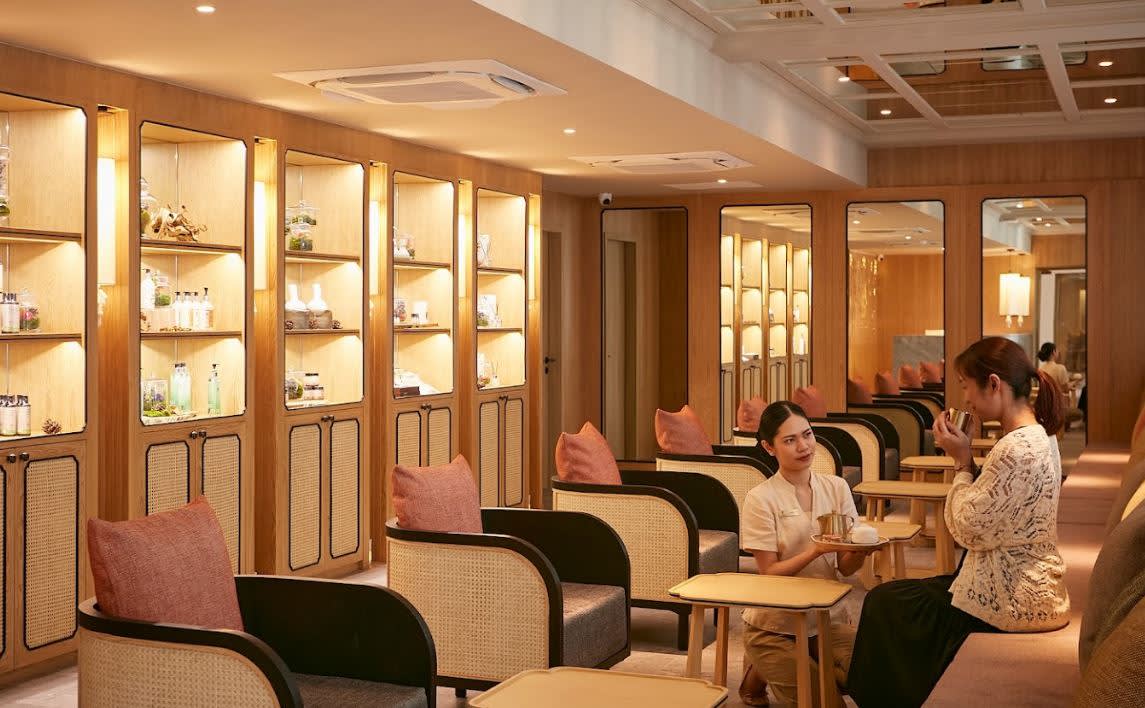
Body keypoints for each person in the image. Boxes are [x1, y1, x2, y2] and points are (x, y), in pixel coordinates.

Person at [848, 337, 1070, 708]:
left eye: (967, 386)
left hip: (1012, 598)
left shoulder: (1017, 449)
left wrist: (962, 463)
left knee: (884, 603)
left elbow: (966, 529)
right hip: (1018, 580)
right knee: (898, 598)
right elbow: (993, 512)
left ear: (994, 384)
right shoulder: (1039, 435)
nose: (966, 399)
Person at [738, 401, 876, 707]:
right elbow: (769, 573)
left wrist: (861, 550)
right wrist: (816, 550)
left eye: (807, 434)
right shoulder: (760, 499)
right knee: (827, 704)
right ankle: (761, 665)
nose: (803, 446)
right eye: (790, 440)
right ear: (769, 447)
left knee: (874, 673)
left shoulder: (837, 487)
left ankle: (783, 666)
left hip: (825, 620)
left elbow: (845, 568)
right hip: (774, 626)